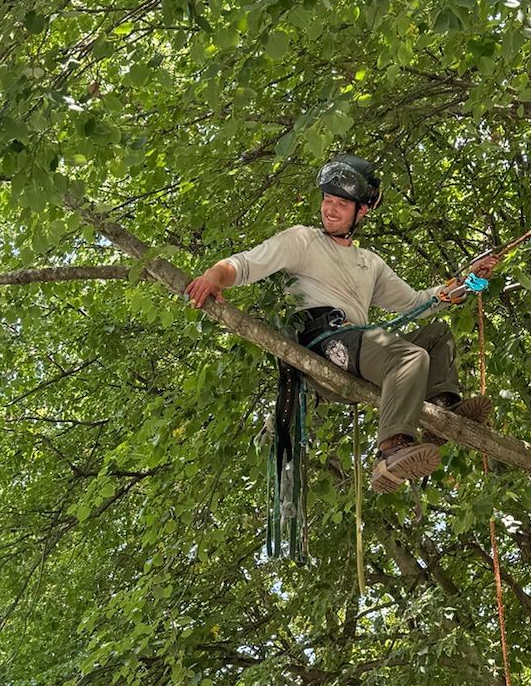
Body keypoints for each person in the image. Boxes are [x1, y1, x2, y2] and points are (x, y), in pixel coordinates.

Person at [185, 155, 489, 492]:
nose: (330, 209)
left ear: (362, 211)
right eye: (327, 200)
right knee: (410, 357)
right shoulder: (302, 241)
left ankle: (440, 411)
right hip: (328, 344)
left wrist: (464, 282)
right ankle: (391, 450)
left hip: (359, 346)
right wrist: (214, 275)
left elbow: (417, 303)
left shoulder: (369, 263)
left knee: (436, 335)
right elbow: (244, 264)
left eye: (341, 203)